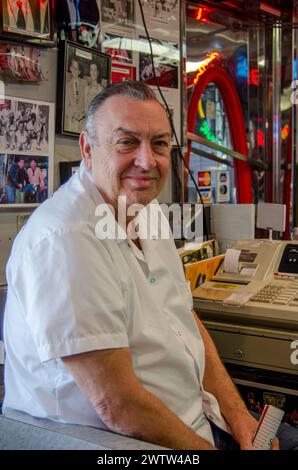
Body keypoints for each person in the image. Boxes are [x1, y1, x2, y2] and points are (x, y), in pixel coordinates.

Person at [3, 81, 298, 450]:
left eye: (159, 143)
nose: (147, 161)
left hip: (199, 419)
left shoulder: (146, 210)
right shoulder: (65, 240)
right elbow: (118, 406)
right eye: (127, 142)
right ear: (87, 148)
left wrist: (240, 419)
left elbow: (184, 320)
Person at [65, 58, 85, 133]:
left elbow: (87, 101)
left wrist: (83, 114)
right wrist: (73, 114)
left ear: (79, 71)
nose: (75, 70)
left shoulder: (84, 83)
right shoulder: (67, 85)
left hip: (83, 119)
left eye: (77, 68)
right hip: (72, 120)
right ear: (70, 68)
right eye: (73, 68)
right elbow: (66, 105)